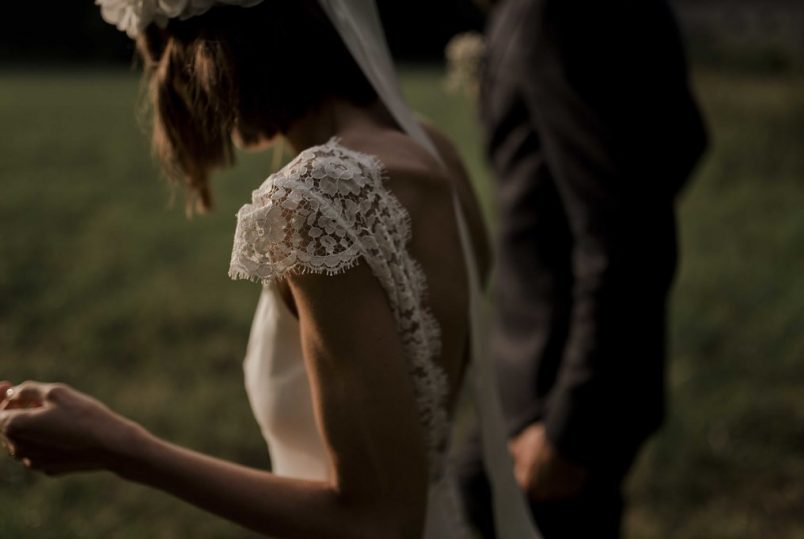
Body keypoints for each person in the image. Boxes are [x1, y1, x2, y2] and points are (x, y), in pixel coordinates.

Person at [0, 1, 513, 537]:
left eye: (162, 52)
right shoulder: (433, 150)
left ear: (211, 45)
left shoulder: (316, 197)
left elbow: (381, 520)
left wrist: (118, 445)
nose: (168, 82)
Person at [457, 0, 708, 537]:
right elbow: (687, 138)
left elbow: (620, 232)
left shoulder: (555, 17)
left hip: (560, 382)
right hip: (543, 363)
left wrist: (572, 422)